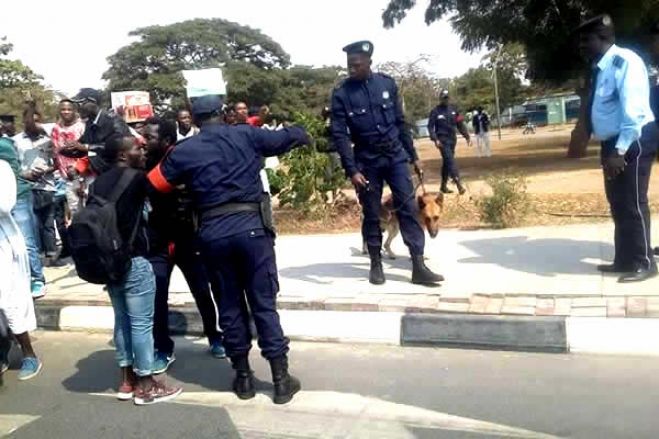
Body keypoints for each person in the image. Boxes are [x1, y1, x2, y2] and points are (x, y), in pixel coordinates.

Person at [148, 95, 308, 404]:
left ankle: (244, 378)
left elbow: (155, 183)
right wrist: (300, 131)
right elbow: (290, 137)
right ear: (223, 113)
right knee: (263, 304)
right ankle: (280, 379)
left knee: (230, 306)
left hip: (212, 234)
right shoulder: (247, 134)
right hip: (252, 230)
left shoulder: (184, 150)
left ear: (193, 119)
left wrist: (187, 182)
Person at [331, 40, 444, 286]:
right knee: (372, 213)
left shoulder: (387, 84)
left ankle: (418, 265)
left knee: (410, 210)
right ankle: (375, 263)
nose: (352, 69)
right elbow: (340, 135)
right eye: (349, 65)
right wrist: (351, 170)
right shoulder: (341, 94)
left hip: (394, 157)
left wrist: (413, 156)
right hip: (367, 162)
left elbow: (400, 123)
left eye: (356, 65)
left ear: (369, 63)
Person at [91, 134, 181, 405]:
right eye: (137, 148)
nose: (143, 151)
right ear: (122, 155)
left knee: (121, 321)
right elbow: (164, 185)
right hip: (135, 261)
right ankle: (146, 385)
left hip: (109, 263)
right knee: (142, 324)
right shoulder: (137, 179)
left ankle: (126, 381)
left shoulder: (97, 184)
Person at [578, 15, 658, 283]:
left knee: (633, 202)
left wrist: (620, 151)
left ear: (603, 38)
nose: (582, 46)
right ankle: (624, 259)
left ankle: (643, 262)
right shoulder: (601, 68)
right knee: (618, 203)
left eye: (586, 40)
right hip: (612, 143)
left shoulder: (625, 62)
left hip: (631, 140)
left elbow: (633, 112)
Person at [142, 116, 225, 374]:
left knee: (202, 291)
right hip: (157, 242)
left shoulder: (184, 158)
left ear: (166, 140)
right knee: (157, 296)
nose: (144, 142)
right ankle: (163, 348)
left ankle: (214, 336)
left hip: (188, 239)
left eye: (150, 138)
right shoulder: (143, 162)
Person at [0, 143, 42, 381]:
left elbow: (5, 205)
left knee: (10, 300)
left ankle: (29, 354)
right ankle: (2, 351)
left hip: (3, 245)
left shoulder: (3, 168)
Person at [2, 117, 46, 299]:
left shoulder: (3, 145)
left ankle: (37, 280)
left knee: (26, 241)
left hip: (16, 196)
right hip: (7, 197)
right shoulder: (8, 142)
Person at [14, 103, 59, 274]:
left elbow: (57, 163)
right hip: (26, 186)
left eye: (36, 122)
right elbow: (15, 163)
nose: (33, 125)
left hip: (47, 185)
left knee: (48, 222)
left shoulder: (48, 140)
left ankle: (51, 253)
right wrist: (25, 173)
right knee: (31, 223)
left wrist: (46, 170)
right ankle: (36, 256)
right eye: (30, 122)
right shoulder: (16, 141)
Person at [427, 89, 471, 194]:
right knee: (450, 161)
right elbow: (430, 127)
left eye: (447, 98)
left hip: (452, 140)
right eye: (443, 98)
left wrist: (467, 137)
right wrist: (435, 139)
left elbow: (460, 124)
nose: (445, 100)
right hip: (442, 140)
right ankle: (459, 184)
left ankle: (443, 186)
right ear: (440, 99)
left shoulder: (454, 110)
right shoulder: (435, 111)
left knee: (447, 162)